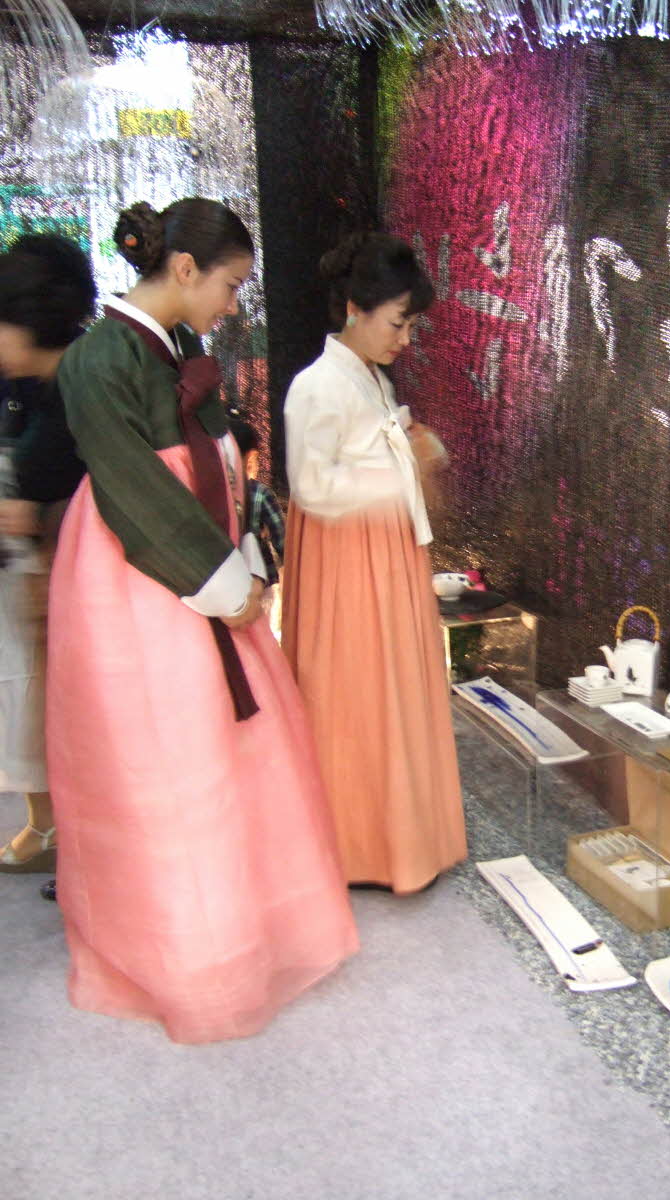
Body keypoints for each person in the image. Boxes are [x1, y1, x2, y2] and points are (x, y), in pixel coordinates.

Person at [47, 198, 358, 1043]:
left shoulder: (179, 345)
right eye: (229, 285)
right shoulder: (98, 358)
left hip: (203, 566)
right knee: (169, 763)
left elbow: (219, 458)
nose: (232, 303)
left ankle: (252, 930)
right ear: (184, 269)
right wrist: (223, 581)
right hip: (137, 581)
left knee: (230, 757)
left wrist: (245, 560)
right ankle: (189, 957)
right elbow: (134, 489)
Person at [281, 231, 467, 895]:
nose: (405, 339)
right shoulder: (315, 386)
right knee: (355, 694)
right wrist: (398, 473)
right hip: (348, 561)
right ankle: (355, 847)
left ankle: (398, 841)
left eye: (411, 326)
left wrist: (413, 454)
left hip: (383, 552)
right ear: (356, 309)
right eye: (397, 324)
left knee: (394, 690)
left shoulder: (371, 378)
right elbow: (312, 487)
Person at [0, 234, 94, 877]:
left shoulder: (78, 390)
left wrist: (28, 507)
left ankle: (77, 840)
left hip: (76, 584)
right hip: (45, 573)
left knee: (68, 710)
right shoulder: (53, 381)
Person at [228, 415, 285, 594]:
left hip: (224, 584)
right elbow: (283, 542)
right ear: (251, 459)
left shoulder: (212, 492)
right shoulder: (260, 493)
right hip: (260, 581)